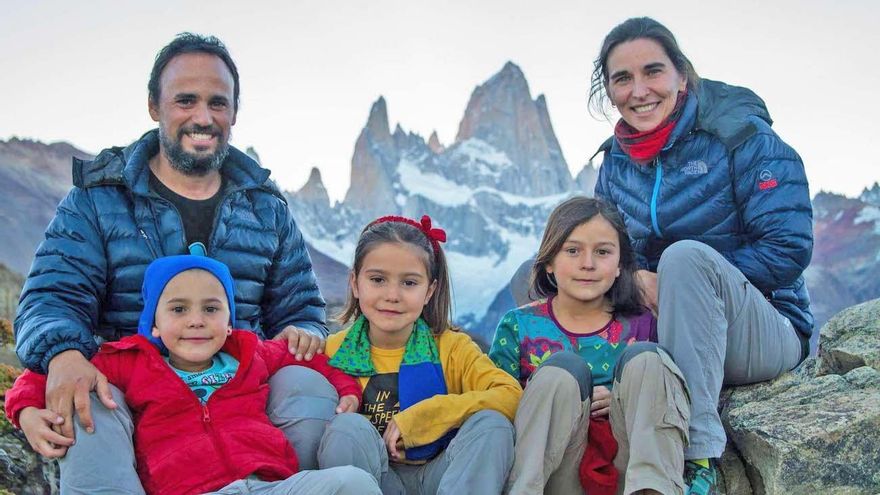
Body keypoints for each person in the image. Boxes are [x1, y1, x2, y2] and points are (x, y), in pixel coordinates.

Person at [13, 32, 335, 470]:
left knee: (305, 383)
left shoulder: (268, 209)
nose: (203, 117)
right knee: (85, 399)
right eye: (186, 100)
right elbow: (51, 298)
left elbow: (301, 311)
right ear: (154, 106)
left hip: (238, 405)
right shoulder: (97, 200)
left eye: (217, 103)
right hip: (130, 397)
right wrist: (63, 355)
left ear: (234, 111)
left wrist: (303, 330)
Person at [589, 17, 814, 494]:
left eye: (653, 71)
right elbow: (602, 253)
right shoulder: (615, 162)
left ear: (681, 76)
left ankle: (696, 458)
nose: (639, 90)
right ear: (609, 90)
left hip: (760, 328)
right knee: (552, 268)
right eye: (622, 78)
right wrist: (635, 280)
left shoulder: (741, 137)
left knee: (686, 258)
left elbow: (786, 250)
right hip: (663, 326)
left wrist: (672, 281)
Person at [6, 255, 380, 495]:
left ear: (229, 322)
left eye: (211, 308)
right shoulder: (132, 362)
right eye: (179, 309)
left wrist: (346, 389)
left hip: (269, 486)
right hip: (188, 490)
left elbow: (314, 358)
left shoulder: (250, 354)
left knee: (354, 482)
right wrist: (23, 410)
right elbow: (52, 376)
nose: (196, 320)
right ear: (154, 325)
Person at [490, 197, 690, 495]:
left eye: (603, 252)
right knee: (560, 373)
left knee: (649, 360)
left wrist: (620, 398)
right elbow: (496, 405)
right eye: (572, 251)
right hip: (554, 476)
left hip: (627, 469)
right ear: (548, 263)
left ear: (621, 265)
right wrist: (543, 392)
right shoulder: (518, 326)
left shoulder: (644, 324)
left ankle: (655, 490)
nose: (588, 263)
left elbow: (660, 398)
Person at [316, 215, 522, 494]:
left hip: (442, 475)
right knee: (346, 428)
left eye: (409, 283)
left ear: (430, 291)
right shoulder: (333, 349)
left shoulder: (451, 347)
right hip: (375, 479)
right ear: (355, 283)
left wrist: (428, 416)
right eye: (377, 279)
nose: (392, 295)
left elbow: (511, 395)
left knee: (493, 424)